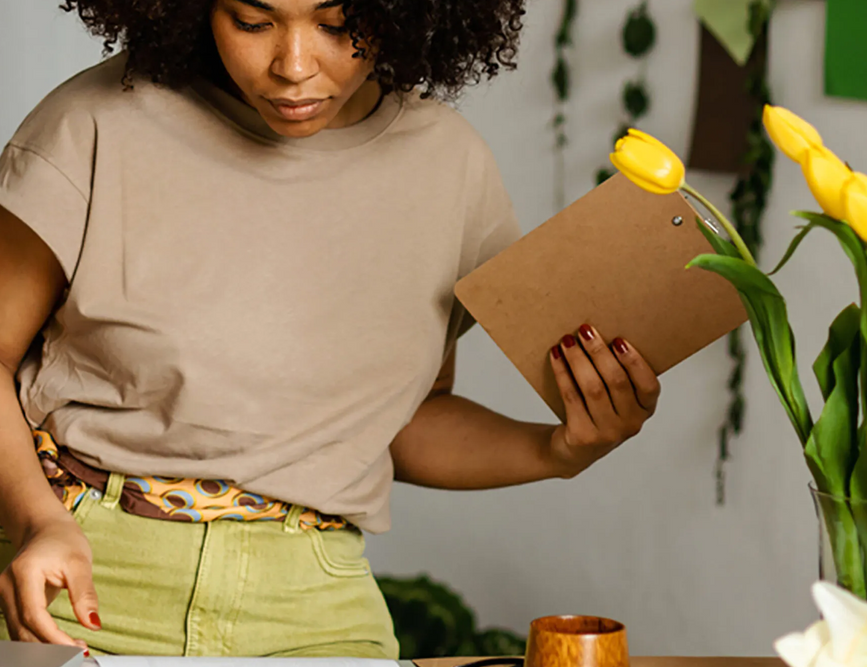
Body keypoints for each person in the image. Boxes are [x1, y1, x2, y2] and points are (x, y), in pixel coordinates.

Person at [0, 0, 662, 658]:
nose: (292, 65)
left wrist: (559, 451)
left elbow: (402, 420)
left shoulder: (448, 165)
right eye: (253, 22)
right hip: (83, 581)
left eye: (339, 24)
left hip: (315, 610)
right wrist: (38, 520)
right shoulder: (96, 121)